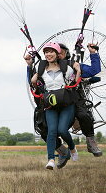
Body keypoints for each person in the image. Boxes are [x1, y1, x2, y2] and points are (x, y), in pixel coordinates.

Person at [31, 42, 81, 170]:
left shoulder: (67, 67)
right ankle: (51, 160)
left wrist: (78, 70)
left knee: (62, 130)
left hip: (66, 104)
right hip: (51, 105)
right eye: (46, 52)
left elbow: (76, 79)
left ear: (57, 53)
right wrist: (33, 79)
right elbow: (33, 82)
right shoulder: (41, 69)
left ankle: (72, 148)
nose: (48, 54)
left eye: (51, 51)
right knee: (52, 131)